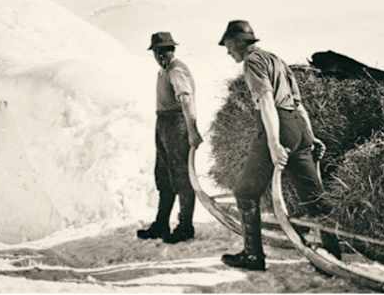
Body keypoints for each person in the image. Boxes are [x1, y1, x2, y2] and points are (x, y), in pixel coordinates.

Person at [217, 20, 342, 270]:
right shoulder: (277, 60)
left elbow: (266, 101)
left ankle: (253, 256)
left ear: (239, 42)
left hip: (278, 127)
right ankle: (333, 255)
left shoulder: (252, 62)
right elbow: (298, 103)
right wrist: (310, 136)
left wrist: (274, 143)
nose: (228, 51)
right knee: (314, 198)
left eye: (228, 45)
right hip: (296, 126)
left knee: (245, 192)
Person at [137, 31, 203, 244]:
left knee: (182, 178)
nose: (160, 55)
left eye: (164, 50)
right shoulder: (164, 71)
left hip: (177, 124)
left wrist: (192, 130)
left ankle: (185, 227)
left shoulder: (176, 70)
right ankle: (161, 223)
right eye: (157, 51)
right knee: (164, 176)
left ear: (171, 50)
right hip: (164, 124)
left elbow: (186, 100)